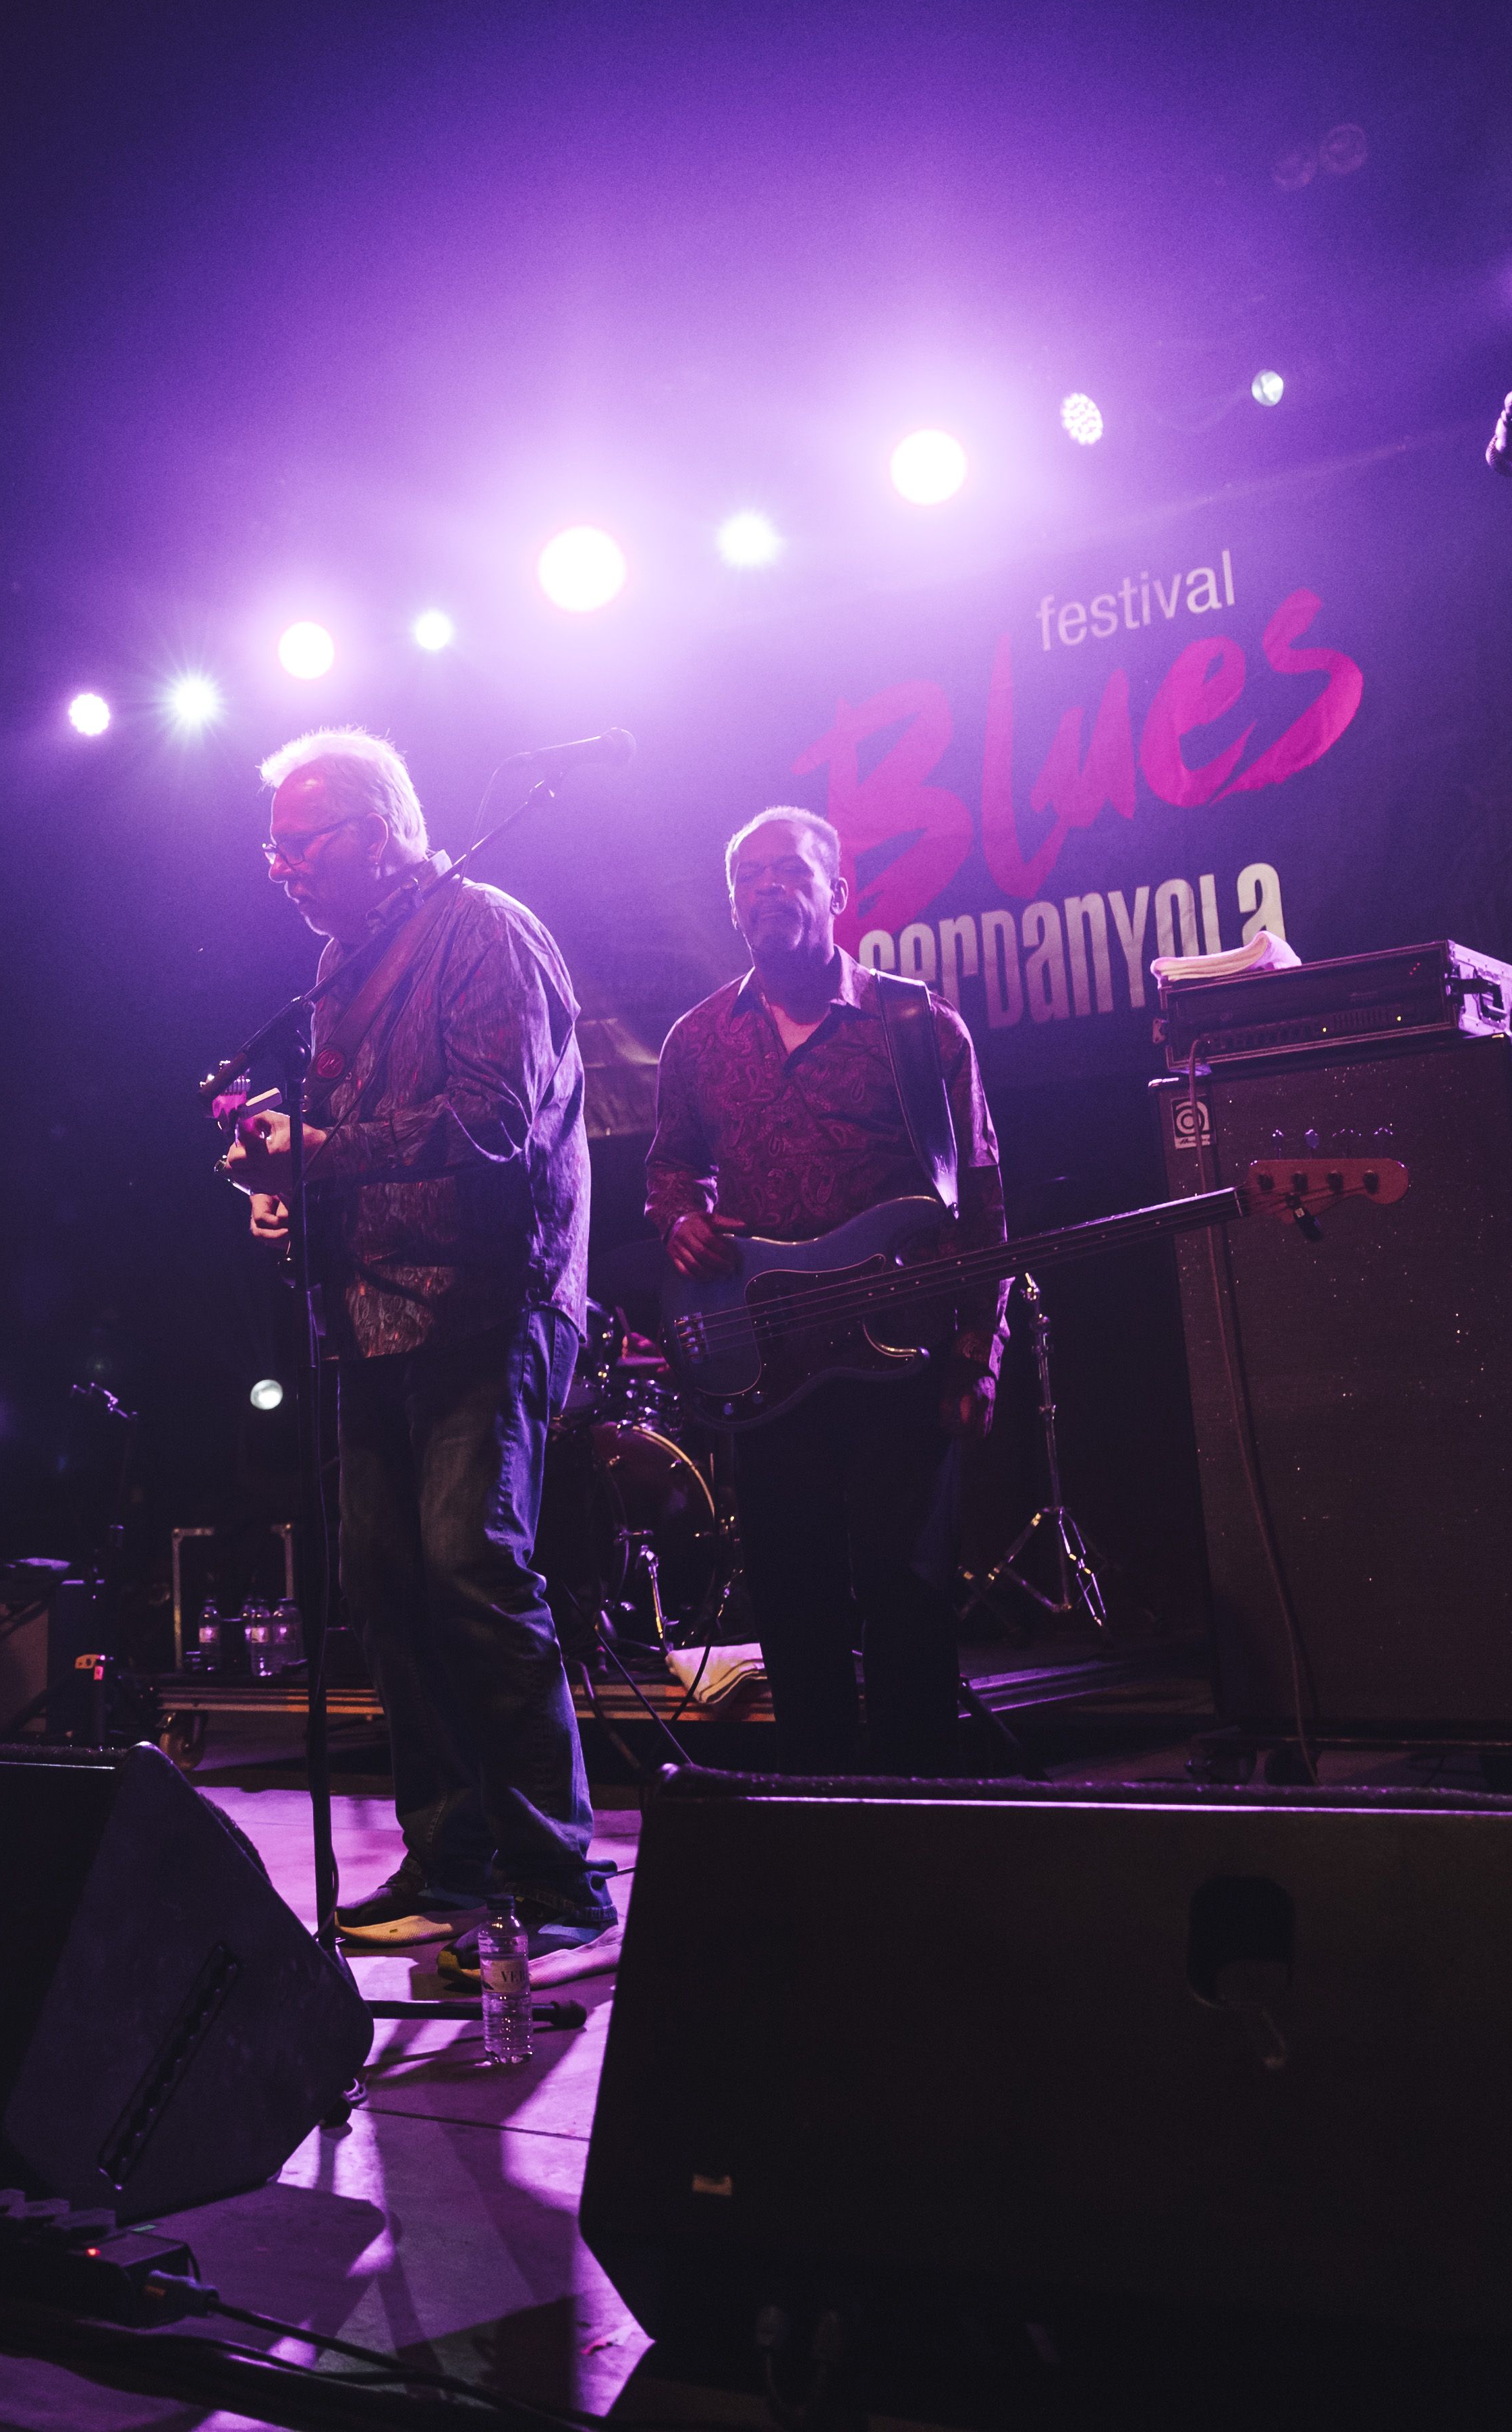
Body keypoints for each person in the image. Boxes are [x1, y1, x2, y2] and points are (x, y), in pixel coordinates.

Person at [217, 728, 607, 1985]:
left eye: (301, 841)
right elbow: (347, 1135)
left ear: (380, 832)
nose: (281, 867)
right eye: (269, 847)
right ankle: (453, 1865)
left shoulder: (483, 929)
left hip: (491, 1304)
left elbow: (493, 1125)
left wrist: (318, 1153)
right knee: (385, 1583)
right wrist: (278, 1175)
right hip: (368, 1314)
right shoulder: (336, 968)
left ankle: (557, 1875)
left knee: (470, 1565)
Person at [646, 806, 1006, 1775]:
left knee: (907, 1594)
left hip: (903, 1353)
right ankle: (817, 1822)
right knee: (795, 1598)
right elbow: (670, 1173)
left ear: (839, 892)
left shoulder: (918, 1025)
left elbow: (981, 1199)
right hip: (768, 1362)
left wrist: (978, 1352)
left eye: (793, 872)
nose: (771, 888)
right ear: (733, 903)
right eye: (751, 875)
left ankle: (921, 1819)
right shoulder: (696, 1041)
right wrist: (679, 1220)